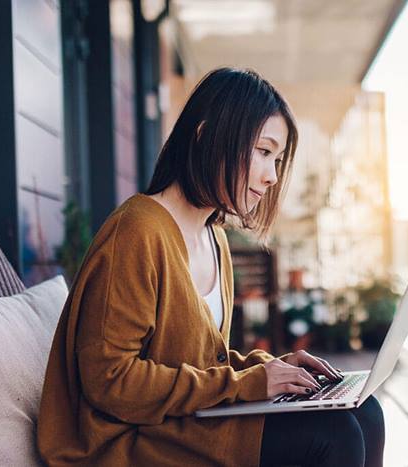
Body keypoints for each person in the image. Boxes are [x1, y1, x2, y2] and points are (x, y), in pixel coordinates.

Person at [37, 67, 385, 467]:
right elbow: (110, 381)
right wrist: (249, 382)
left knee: (365, 412)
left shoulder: (215, 238)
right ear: (206, 136)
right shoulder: (136, 231)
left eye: (278, 159)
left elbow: (200, 364)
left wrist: (271, 369)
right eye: (263, 152)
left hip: (181, 420)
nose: (272, 176)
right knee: (331, 434)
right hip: (126, 440)